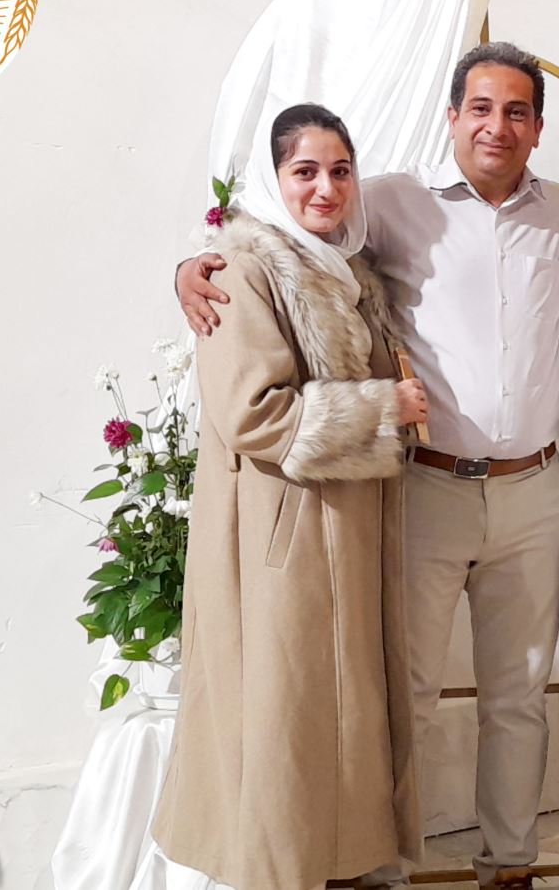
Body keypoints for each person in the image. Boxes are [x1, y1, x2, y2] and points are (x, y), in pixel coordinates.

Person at [175, 44, 559, 890]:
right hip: (427, 487)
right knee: (404, 693)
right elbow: (278, 233)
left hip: (534, 488)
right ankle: (383, 866)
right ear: (453, 117)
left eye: (516, 111)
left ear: (537, 127)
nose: (497, 125)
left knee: (519, 694)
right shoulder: (394, 201)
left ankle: (510, 863)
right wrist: (189, 265)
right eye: (481, 107)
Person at [152, 104, 428, 890]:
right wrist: (382, 409)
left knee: (334, 718)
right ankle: (283, 869)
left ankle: (337, 866)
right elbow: (251, 412)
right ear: (274, 180)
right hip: (278, 541)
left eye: (340, 170)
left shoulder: (349, 271)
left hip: (342, 533)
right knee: (284, 718)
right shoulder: (243, 271)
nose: (326, 188)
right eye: (305, 171)